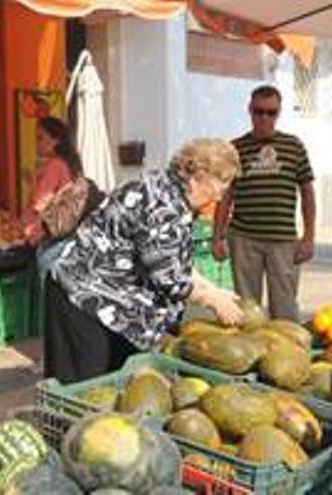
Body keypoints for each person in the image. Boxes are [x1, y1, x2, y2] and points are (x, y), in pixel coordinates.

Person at [45, 139, 245, 384]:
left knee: (116, 382)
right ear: (199, 176)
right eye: (221, 182)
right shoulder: (163, 204)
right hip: (82, 296)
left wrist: (213, 289)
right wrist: (213, 301)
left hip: (112, 299)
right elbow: (170, 280)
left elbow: (173, 261)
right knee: (86, 385)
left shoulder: (171, 193)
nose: (223, 192)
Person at [212, 85, 316, 322]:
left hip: (283, 240)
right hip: (243, 239)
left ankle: (288, 352)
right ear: (250, 110)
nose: (264, 118)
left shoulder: (294, 146)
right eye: (259, 111)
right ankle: (251, 354)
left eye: (271, 113)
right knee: (247, 308)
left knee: (285, 307)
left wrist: (309, 237)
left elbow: (307, 192)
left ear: (279, 113)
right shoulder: (235, 148)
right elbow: (225, 195)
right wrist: (217, 237)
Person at [23, 117, 83, 281]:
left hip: (47, 240)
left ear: (56, 140)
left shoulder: (55, 165)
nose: (37, 143)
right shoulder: (69, 164)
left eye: (41, 138)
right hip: (63, 239)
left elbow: (40, 203)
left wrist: (34, 180)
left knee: (45, 295)